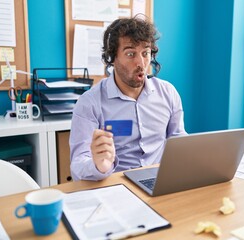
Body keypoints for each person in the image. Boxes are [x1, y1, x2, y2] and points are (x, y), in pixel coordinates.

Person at [69, 16, 187, 181]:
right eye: (130, 53)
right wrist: (98, 166)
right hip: (115, 186)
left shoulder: (167, 92)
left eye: (145, 53)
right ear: (112, 58)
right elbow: (78, 164)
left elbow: (177, 140)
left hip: (160, 181)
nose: (141, 62)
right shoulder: (89, 103)